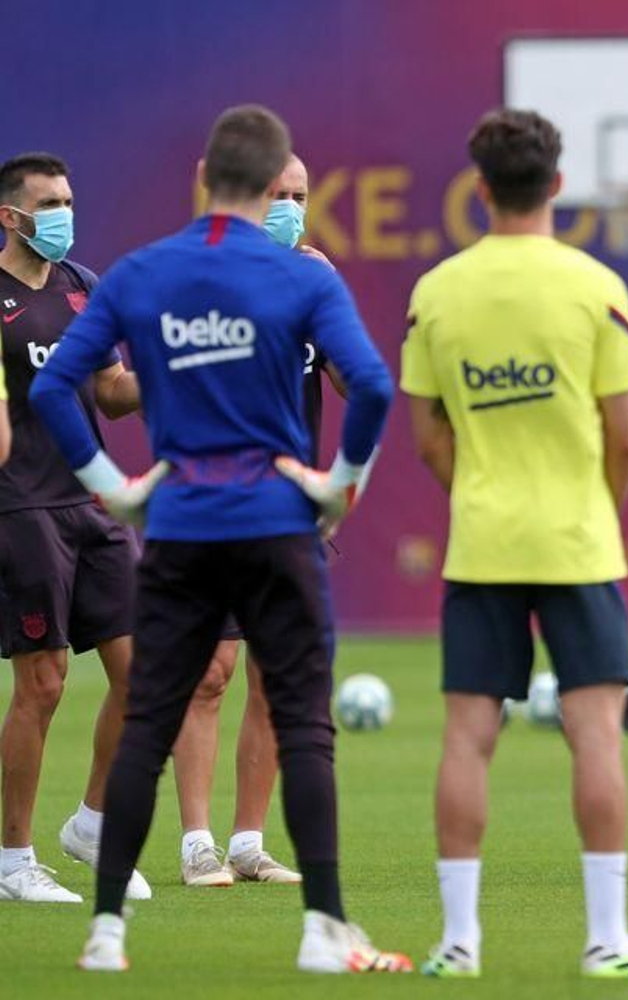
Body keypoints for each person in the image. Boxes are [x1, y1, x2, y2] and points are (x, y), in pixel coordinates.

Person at [30, 104, 406, 973]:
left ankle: (107, 931)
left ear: (204, 174)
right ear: (269, 179)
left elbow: (58, 391)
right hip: (280, 522)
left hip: (180, 523)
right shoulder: (305, 279)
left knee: (149, 717)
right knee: (307, 726)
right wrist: (338, 482)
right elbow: (377, 390)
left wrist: (114, 490)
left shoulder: (143, 272)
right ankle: (323, 931)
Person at [401, 108, 628, 979]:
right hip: (576, 543)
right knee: (596, 734)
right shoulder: (596, 287)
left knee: (465, 737)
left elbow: (428, 436)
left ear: (478, 189)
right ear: (558, 186)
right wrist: (591, 511)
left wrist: (480, 496)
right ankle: (606, 942)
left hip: (481, 542)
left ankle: (457, 943)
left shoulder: (436, 292)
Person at [169, 152, 344, 889]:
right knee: (210, 672)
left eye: (301, 196)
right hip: (211, 502)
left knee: (277, 677)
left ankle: (248, 840)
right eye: (279, 195)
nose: (292, 210)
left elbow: (347, 378)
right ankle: (196, 842)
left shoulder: (313, 277)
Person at [0, 152, 149, 904]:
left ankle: (92, 823)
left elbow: (113, 393)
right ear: (10, 217)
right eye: (48, 203)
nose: (63, 213)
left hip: (90, 502)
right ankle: (11, 859)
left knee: (143, 671)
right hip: (20, 507)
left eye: (67, 198)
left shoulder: (83, 287)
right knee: (45, 682)